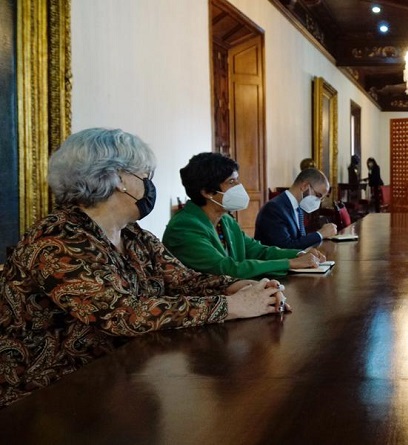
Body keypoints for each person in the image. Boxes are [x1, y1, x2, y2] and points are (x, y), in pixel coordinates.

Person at [0, 128, 289, 408]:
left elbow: (183, 280)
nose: (150, 185)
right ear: (118, 179)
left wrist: (239, 287)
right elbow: (121, 313)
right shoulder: (57, 241)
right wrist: (232, 306)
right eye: (145, 175)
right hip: (47, 396)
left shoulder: (132, 234)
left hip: (119, 381)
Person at [163, 152, 325, 279]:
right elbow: (226, 269)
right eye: (231, 182)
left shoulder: (225, 220)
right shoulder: (184, 227)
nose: (240, 186)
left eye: (237, 180)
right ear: (207, 192)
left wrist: (299, 254)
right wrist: (290, 263)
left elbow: (258, 251)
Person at [254, 168, 338, 249]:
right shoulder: (273, 208)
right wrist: (320, 234)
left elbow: (298, 240)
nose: (318, 202)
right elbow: (284, 248)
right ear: (304, 186)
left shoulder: (298, 207)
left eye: (321, 199)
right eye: (318, 195)